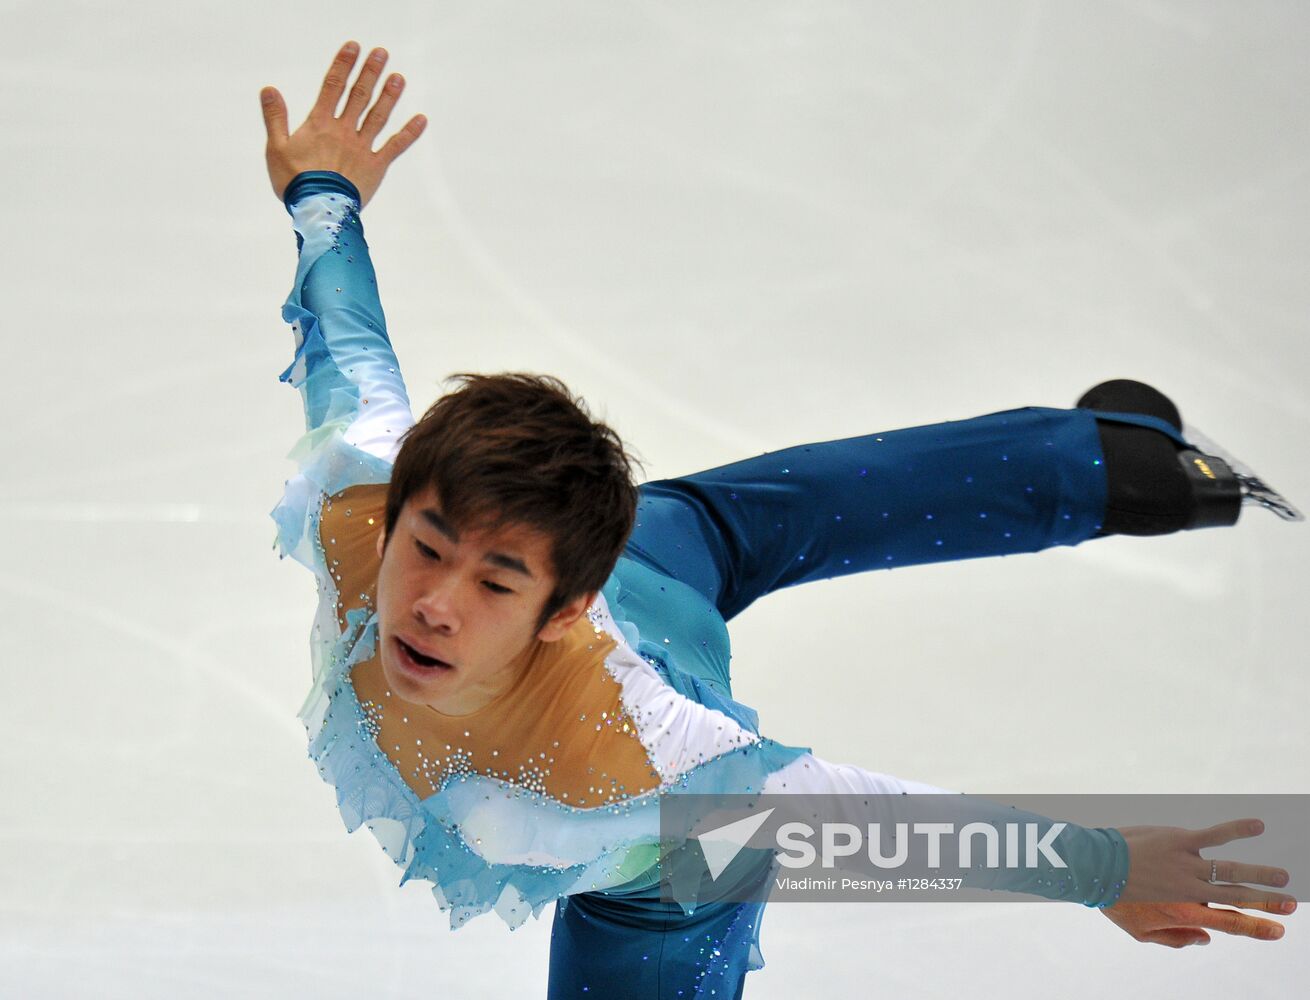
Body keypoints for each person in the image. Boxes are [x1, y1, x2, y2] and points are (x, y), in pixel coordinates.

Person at [260, 42, 1298, 998]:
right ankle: (1102, 459)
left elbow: (866, 820)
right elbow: (346, 338)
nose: (432, 603)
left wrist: (1102, 868)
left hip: (661, 876)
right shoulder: (362, 496)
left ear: (563, 607)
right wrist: (323, 190)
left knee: (753, 578)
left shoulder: (658, 767)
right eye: (426, 548)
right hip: (646, 563)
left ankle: (1121, 465)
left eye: (490, 581)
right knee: (740, 519)